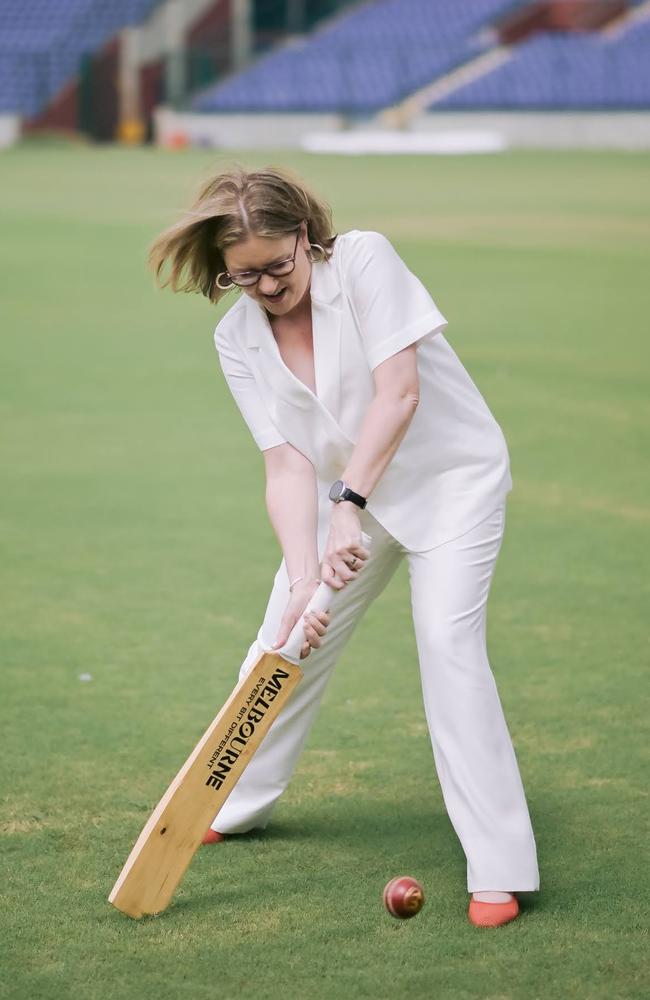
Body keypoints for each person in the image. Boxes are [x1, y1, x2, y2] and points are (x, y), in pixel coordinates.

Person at [149, 165, 540, 927]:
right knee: (284, 639)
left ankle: (499, 865)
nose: (264, 287)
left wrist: (349, 507)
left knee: (447, 646)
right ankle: (240, 798)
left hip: (448, 483)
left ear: (305, 235)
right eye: (243, 276)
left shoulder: (364, 261)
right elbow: (285, 461)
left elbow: (400, 393)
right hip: (349, 502)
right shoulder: (236, 338)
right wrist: (303, 579)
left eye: (277, 266)